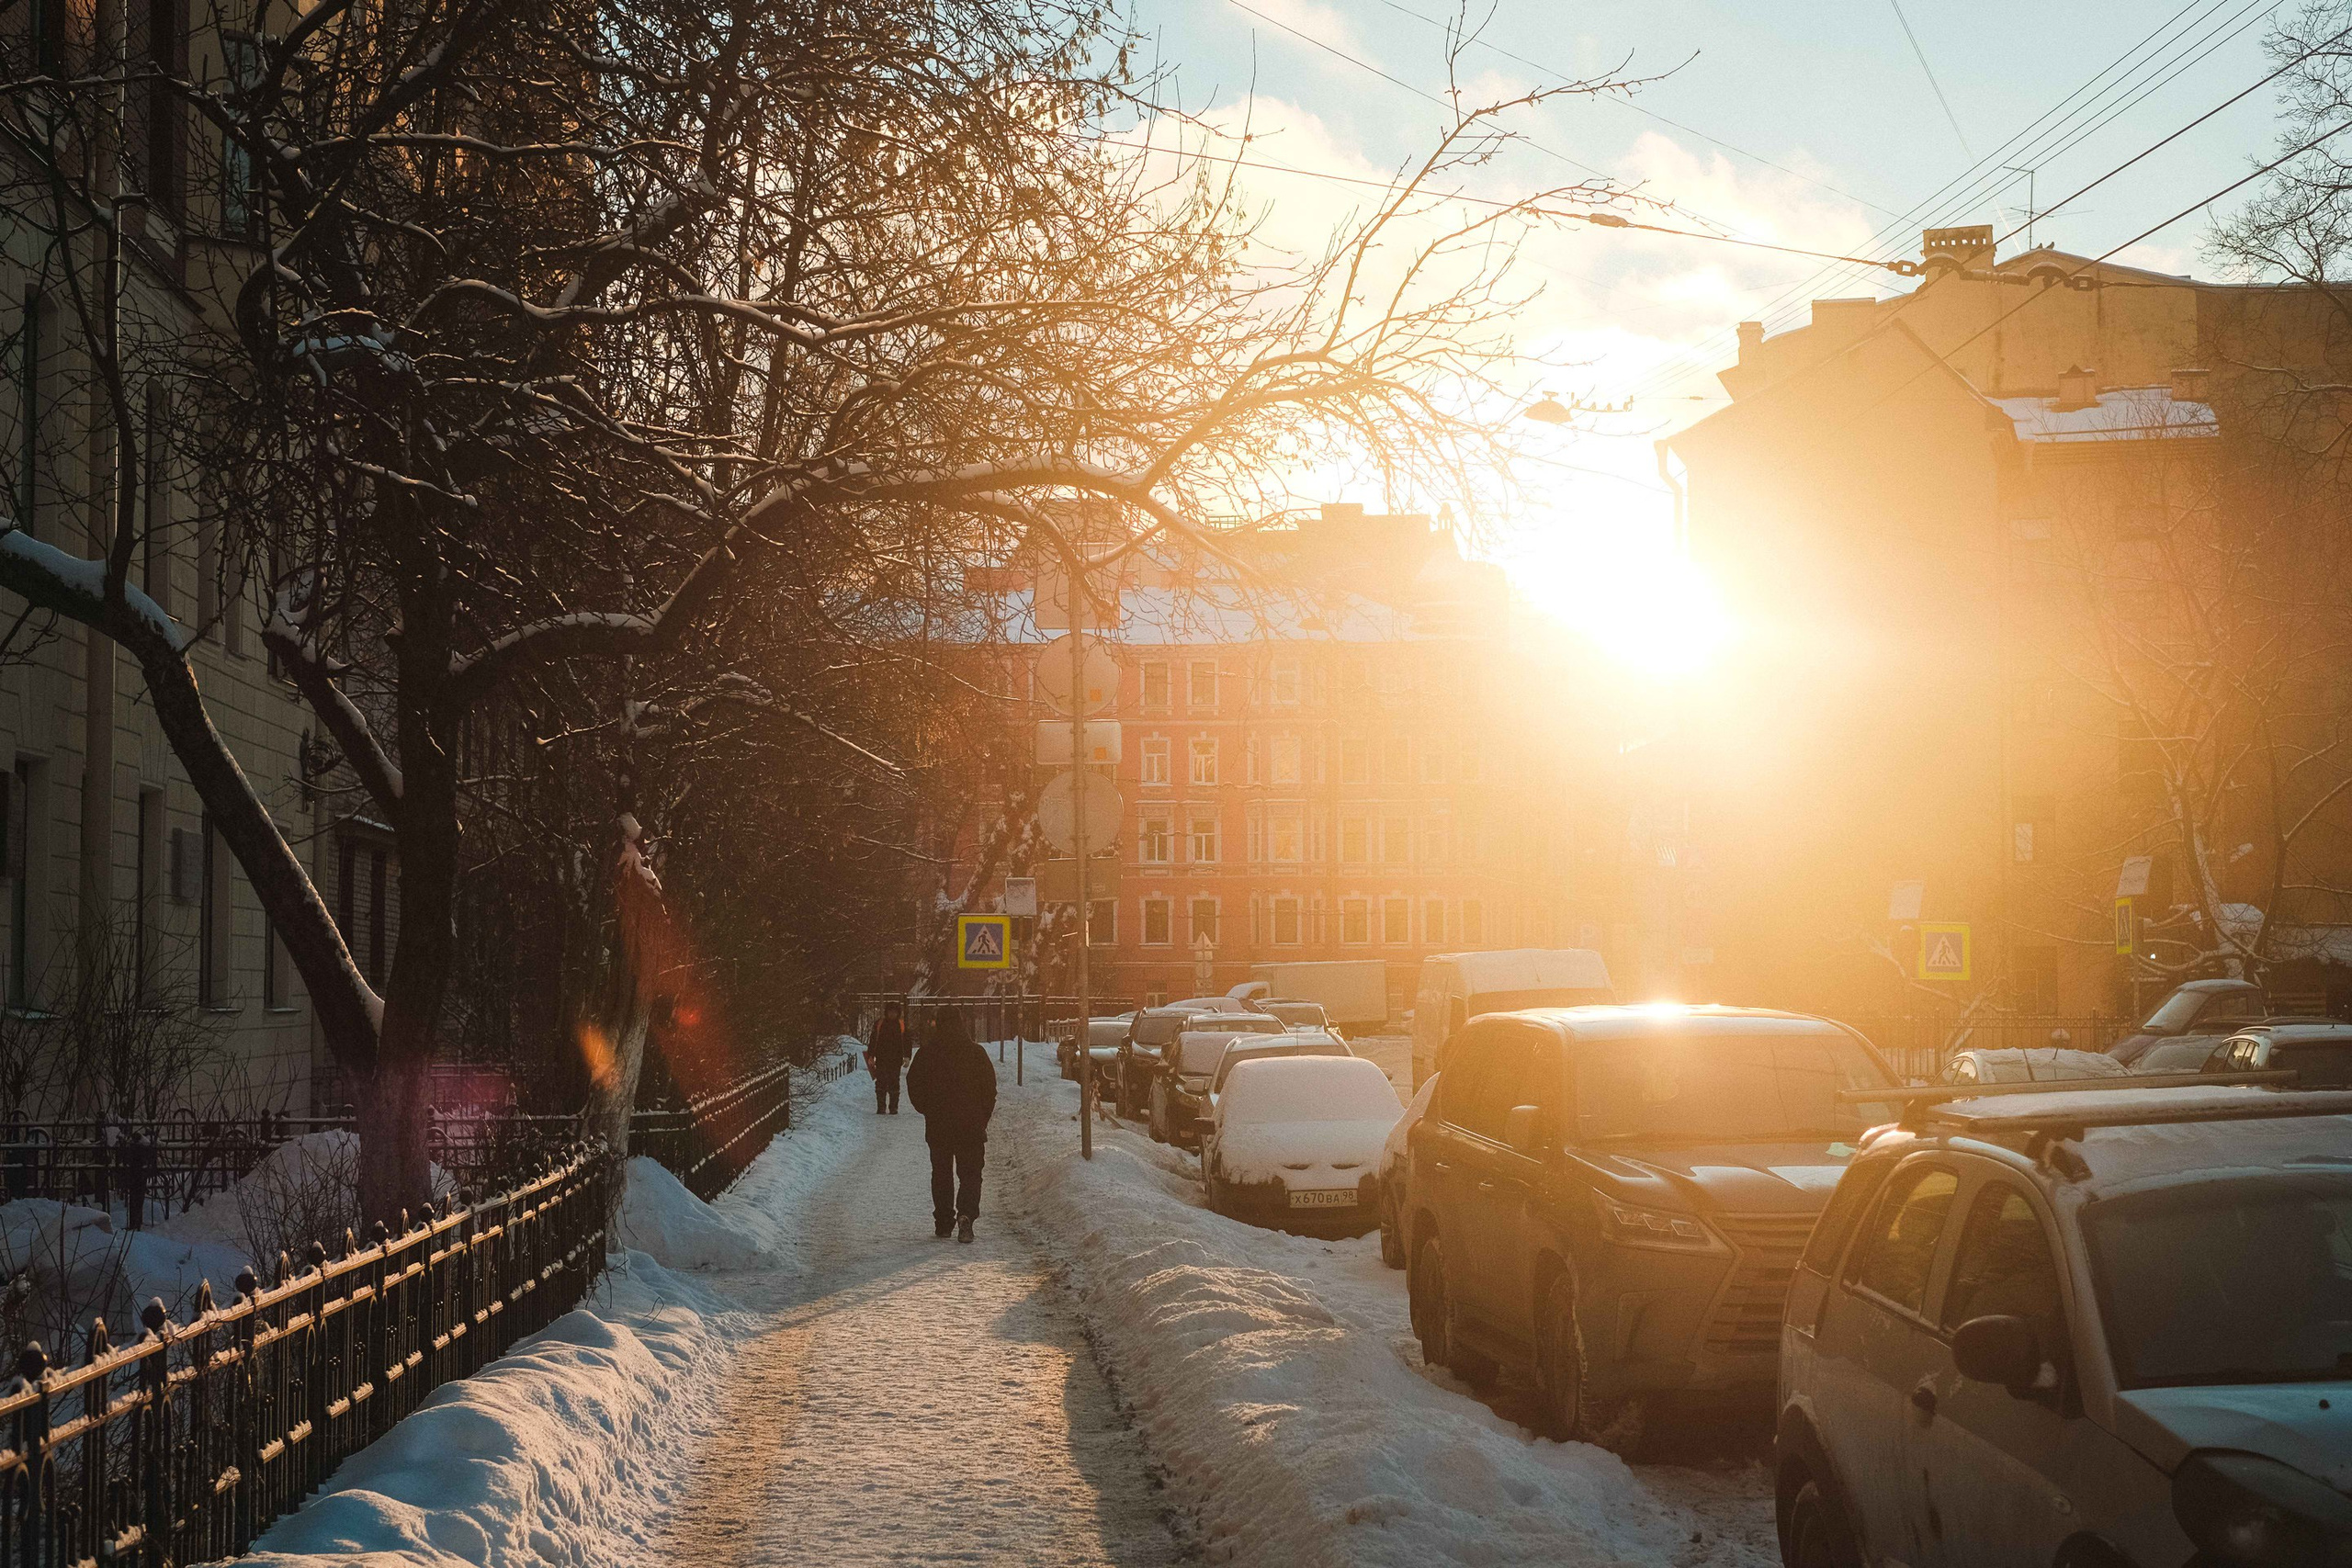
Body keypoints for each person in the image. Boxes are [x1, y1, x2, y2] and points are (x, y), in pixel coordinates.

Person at [905, 1011, 997, 1242]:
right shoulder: (976, 1053)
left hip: (939, 1125)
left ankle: (944, 1221)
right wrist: (982, 1117)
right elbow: (989, 1089)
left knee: (941, 1173)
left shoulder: (927, 1053)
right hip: (970, 1126)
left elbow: (913, 1083)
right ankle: (966, 1214)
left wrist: (927, 1109)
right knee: (971, 1174)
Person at [866, 1000, 912, 1115]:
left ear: (898, 1013)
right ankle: (881, 1107)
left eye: (894, 1012)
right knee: (881, 1082)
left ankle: (893, 1107)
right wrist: (871, 1055)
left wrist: (907, 1056)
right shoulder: (880, 1024)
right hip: (881, 1058)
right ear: (886, 1012)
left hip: (896, 1059)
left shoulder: (901, 1025)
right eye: (890, 1012)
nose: (892, 1014)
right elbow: (873, 1040)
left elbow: (907, 1042)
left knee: (894, 1082)